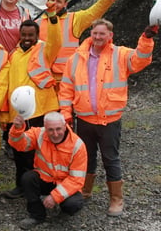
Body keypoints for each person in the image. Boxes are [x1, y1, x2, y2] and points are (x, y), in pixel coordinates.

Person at [58, 19, 156, 216]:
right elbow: (66, 89)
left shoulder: (120, 54)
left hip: (109, 121)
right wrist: (66, 114)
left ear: (110, 36)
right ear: (91, 34)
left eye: (102, 34)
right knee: (85, 157)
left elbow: (141, 59)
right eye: (95, 33)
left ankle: (116, 199)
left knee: (110, 158)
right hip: (84, 119)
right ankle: (84, 191)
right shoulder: (76, 58)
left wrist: (146, 38)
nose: (98, 37)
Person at [3, 16, 61, 200]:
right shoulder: (13, 54)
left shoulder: (45, 49)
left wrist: (53, 20)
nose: (27, 38)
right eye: (24, 34)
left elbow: (56, 40)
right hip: (19, 112)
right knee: (19, 151)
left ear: (37, 35)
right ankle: (21, 185)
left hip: (42, 110)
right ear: (19, 35)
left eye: (31, 35)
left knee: (44, 150)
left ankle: (48, 185)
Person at [9, 111, 87, 230]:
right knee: (27, 178)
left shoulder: (77, 145)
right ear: (45, 128)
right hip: (45, 179)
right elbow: (19, 144)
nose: (55, 134)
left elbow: (76, 180)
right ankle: (37, 215)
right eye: (50, 130)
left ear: (65, 126)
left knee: (72, 205)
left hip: (65, 183)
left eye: (58, 129)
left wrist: (55, 197)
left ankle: (62, 210)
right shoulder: (39, 134)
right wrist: (17, 129)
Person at [38, 0, 118, 84]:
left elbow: (94, 12)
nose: (54, 4)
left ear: (65, 4)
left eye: (59, 1)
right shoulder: (37, 23)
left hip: (67, 77)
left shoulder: (75, 19)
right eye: (52, 0)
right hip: (45, 77)